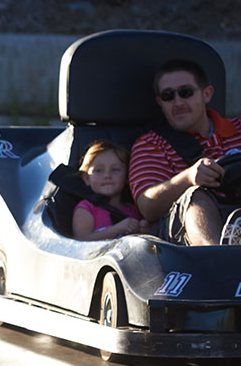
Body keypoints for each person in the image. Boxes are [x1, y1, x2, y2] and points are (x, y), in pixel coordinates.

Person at [128, 59, 241, 245]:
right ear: (160, 103)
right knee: (195, 195)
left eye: (186, 93)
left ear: (206, 94)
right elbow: (147, 206)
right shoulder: (151, 144)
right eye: (168, 96)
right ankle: (217, 260)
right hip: (180, 234)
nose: (178, 102)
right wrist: (188, 178)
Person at [72, 140, 149, 240]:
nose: (107, 175)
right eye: (99, 170)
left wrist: (145, 230)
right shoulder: (86, 208)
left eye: (115, 169)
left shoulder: (135, 210)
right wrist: (117, 229)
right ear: (86, 178)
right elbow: (81, 241)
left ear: (127, 177)